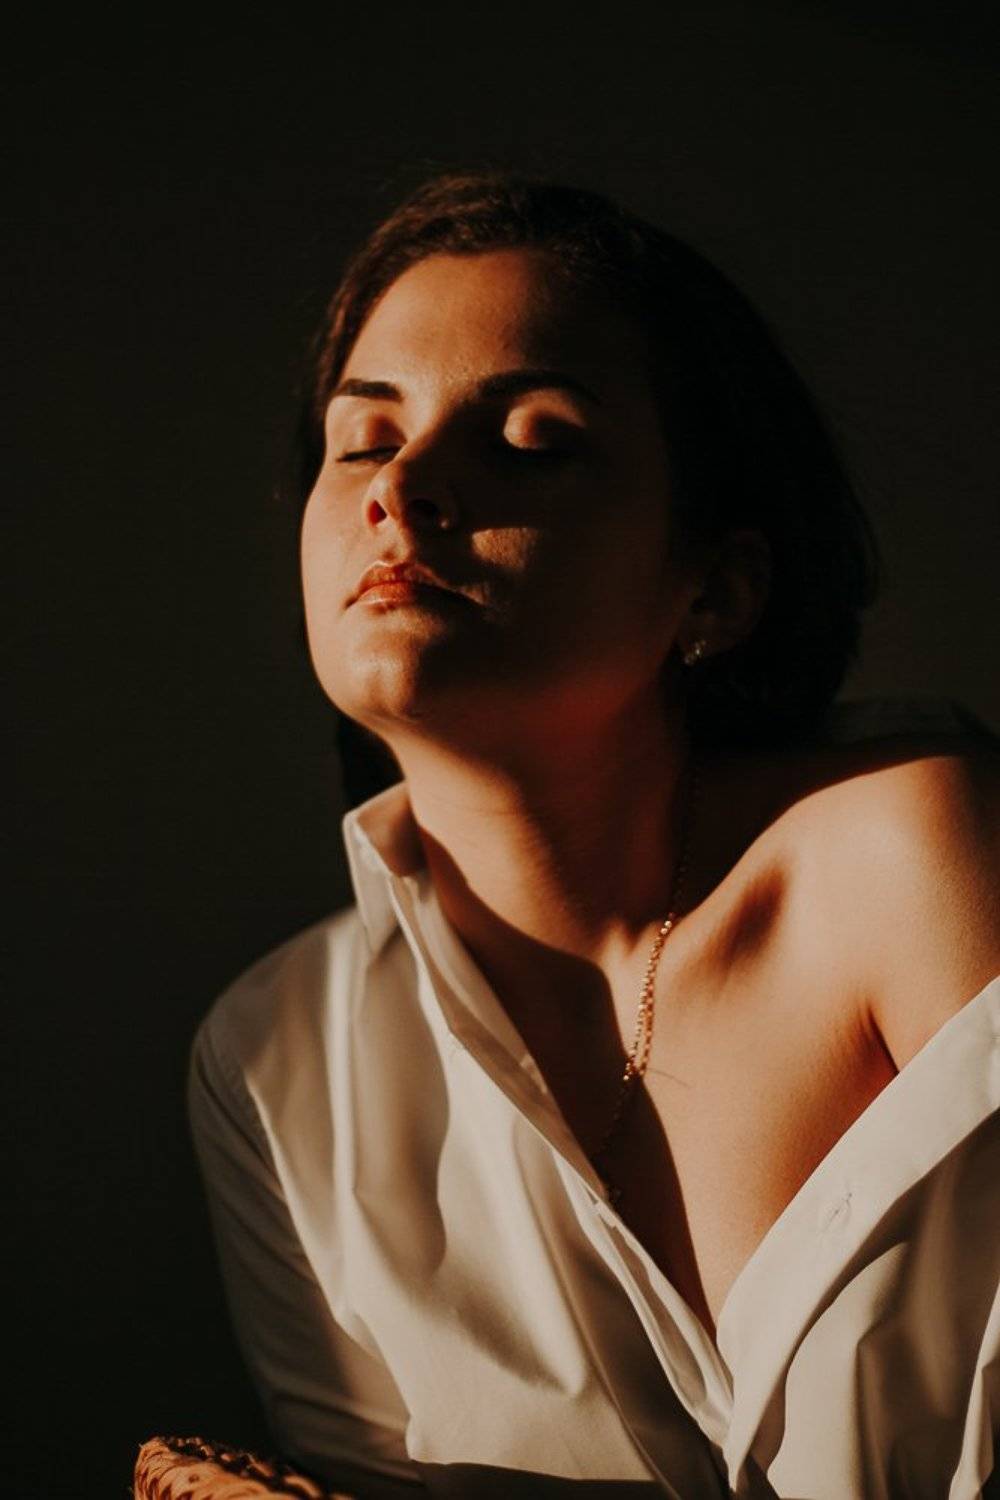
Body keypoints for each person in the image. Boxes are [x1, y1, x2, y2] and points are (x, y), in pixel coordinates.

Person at [188, 172, 1000, 1498]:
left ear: (714, 590)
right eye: (364, 439)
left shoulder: (912, 855)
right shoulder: (277, 1059)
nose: (405, 486)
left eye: (532, 439)